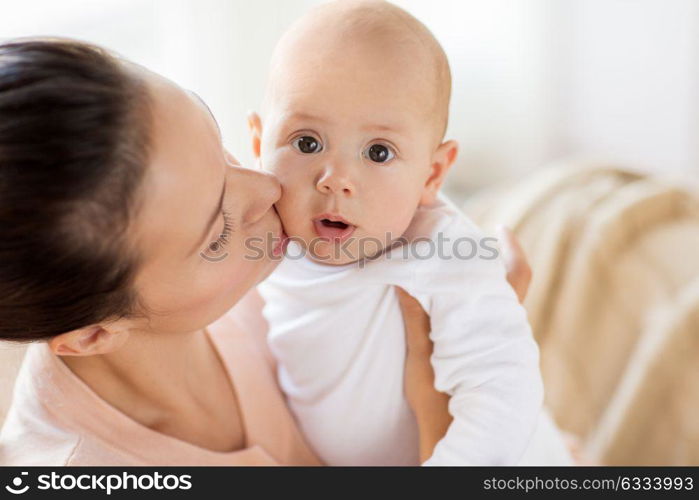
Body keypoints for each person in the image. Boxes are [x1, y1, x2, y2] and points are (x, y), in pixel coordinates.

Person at [0, 38, 530, 466]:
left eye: (220, 148)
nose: (267, 189)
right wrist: (434, 408)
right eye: (218, 232)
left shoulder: (256, 266)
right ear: (94, 334)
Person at [252, 0, 572, 465]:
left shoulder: (438, 249)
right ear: (259, 146)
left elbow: (504, 385)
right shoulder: (258, 227)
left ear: (432, 174)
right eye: (307, 142)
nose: (336, 177)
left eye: (378, 152)